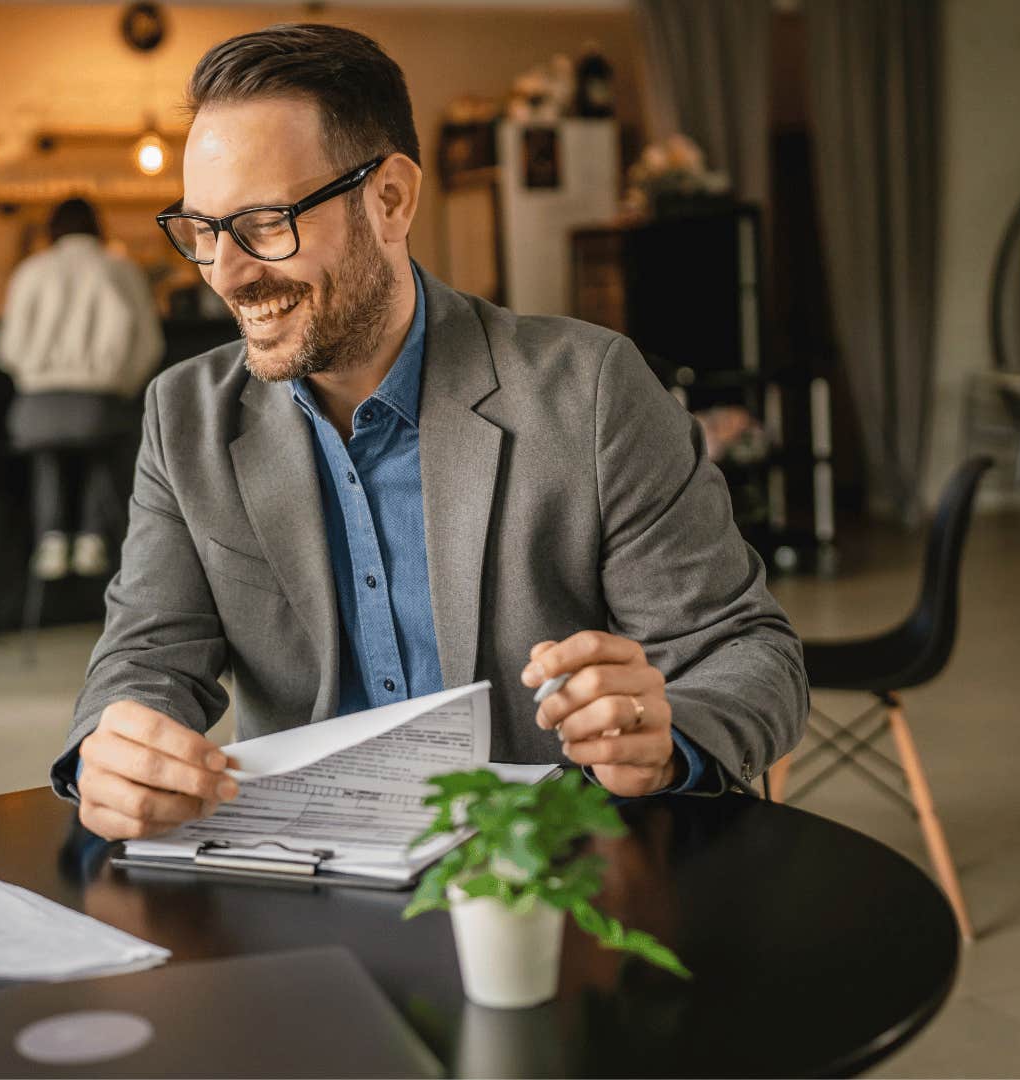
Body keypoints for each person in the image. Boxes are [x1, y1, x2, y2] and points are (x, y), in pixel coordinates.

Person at [53, 24, 808, 841]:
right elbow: (145, 658)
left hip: (550, 876)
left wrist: (668, 736)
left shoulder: (591, 390)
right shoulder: (184, 417)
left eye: (265, 223)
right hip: (306, 875)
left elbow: (747, 654)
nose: (227, 275)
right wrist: (112, 749)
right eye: (203, 232)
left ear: (390, 200)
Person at [0, 197, 164, 580]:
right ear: (98, 226)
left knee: (51, 453)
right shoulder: (120, 269)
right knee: (100, 443)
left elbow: (7, 349)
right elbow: (150, 345)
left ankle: (51, 539)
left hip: (36, 410)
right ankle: (93, 537)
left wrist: (36, 374)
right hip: (100, 405)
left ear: (52, 229)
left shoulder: (31, 271)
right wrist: (120, 385)